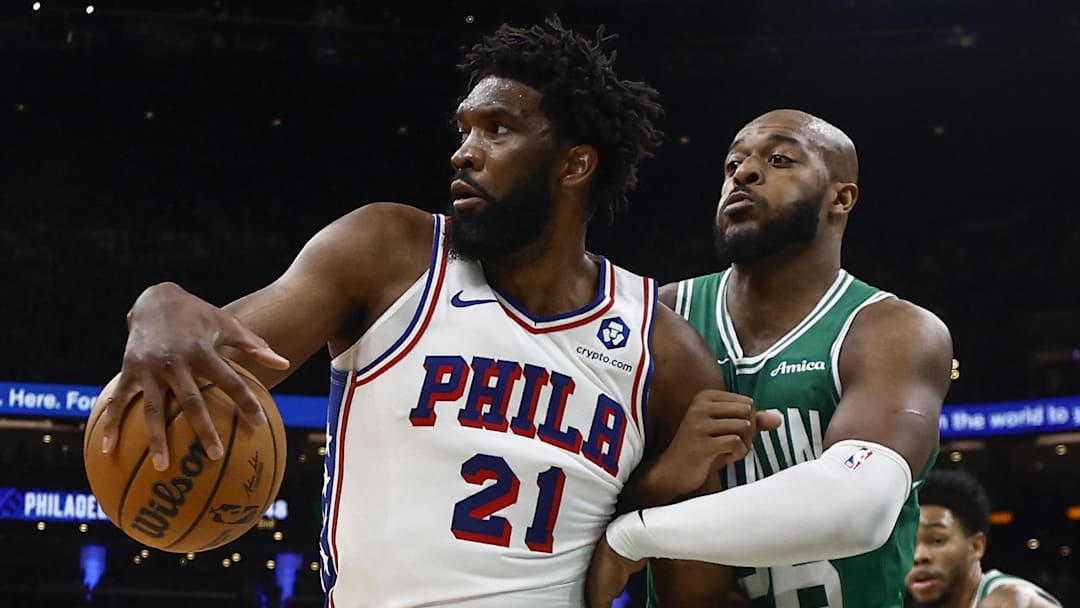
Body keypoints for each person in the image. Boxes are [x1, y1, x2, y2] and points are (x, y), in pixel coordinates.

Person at [96, 18, 776, 608]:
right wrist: (157, 304)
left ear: (574, 166)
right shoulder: (389, 252)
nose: (464, 149)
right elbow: (212, 361)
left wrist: (664, 490)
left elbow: (692, 594)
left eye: (497, 128)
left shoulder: (666, 351)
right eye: (464, 129)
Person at [587, 109, 955, 607]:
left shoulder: (891, 330)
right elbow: (577, 492)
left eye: (779, 159)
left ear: (840, 198)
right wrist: (658, 480)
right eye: (732, 164)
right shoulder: (662, 317)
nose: (743, 172)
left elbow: (858, 507)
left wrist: (637, 535)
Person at [907, 469, 1061, 608]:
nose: (919, 556)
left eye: (937, 540)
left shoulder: (1007, 597)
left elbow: (1018, 599)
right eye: (909, 544)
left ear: (976, 546)